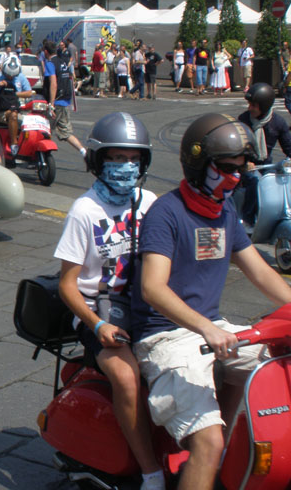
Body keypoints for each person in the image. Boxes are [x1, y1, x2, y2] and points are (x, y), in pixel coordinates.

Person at [131, 113, 291, 490]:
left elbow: (261, 272)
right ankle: (209, 457)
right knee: (208, 442)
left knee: (278, 361)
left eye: (241, 167)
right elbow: (153, 288)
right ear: (199, 163)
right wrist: (204, 326)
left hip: (213, 331)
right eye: (226, 167)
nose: (236, 176)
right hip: (165, 338)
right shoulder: (166, 213)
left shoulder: (225, 212)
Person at [55, 112, 163, 490]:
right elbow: (67, 284)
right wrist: (97, 325)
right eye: (116, 159)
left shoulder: (149, 202)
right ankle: (150, 471)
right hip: (96, 307)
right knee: (126, 375)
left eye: (133, 159)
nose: (125, 167)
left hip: (144, 301)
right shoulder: (84, 211)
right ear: (99, 161)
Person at [237, 82, 291, 228]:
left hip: (266, 164)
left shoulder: (278, 122)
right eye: (249, 104)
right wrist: (245, 162)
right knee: (255, 182)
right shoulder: (244, 120)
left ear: (265, 105)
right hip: (245, 166)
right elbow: (237, 147)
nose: (250, 108)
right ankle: (248, 219)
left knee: (279, 183)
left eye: (253, 105)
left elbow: (288, 146)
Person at [45, 40, 86, 157]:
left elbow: (53, 83)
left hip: (56, 101)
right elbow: (69, 79)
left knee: (44, 128)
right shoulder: (62, 62)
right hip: (65, 100)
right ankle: (83, 151)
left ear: (46, 52)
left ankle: (42, 157)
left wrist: (51, 104)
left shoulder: (50, 63)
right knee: (66, 132)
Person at [0, 56, 34, 155]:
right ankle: (14, 144)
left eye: (13, 76)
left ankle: (30, 147)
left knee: (31, 120)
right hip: (0, 111)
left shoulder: (21, 77)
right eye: (8, 75)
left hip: (16, 108)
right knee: (13, 115)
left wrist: (14, 95)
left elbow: (29, 93)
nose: (10, 77)